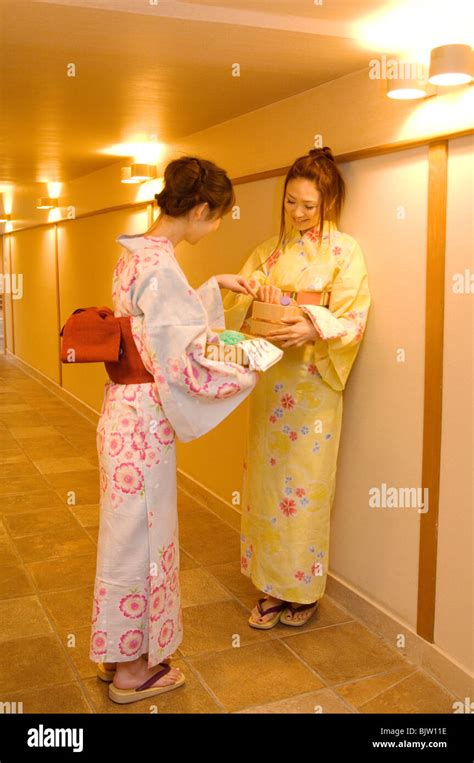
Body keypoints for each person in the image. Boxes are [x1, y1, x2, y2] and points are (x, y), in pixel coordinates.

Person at [89, 156, 261, 703]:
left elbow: (156, 327)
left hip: (122, 411)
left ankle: (118, 651)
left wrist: (212, 286)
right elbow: (183, 360)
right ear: (203, 209)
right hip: (143, 425)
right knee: (143, 539)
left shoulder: (136, 253)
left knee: (124, 536)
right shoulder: (161, 269)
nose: (215, 229)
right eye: (219, 219)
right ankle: (134, 672)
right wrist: (249, 363)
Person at [222, 147, 371, 629]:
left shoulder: (345, 252)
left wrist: (313, 327)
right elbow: (231, 304)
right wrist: (254, 296)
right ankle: (268, 586)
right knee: (266, 489)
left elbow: (355, 316)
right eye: (291, 202)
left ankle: (302, 592)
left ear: (329, 200)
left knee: (305, 488)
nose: (299, 213)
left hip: (313, 387)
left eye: (309, 205)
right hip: (271, 385)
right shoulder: (270, 251)